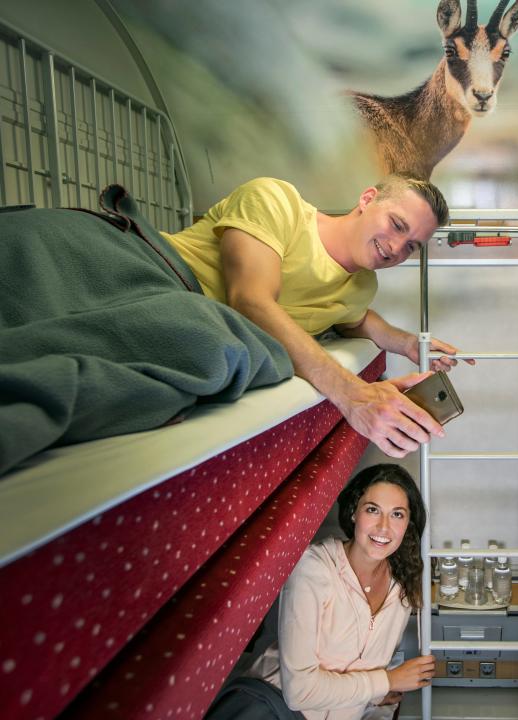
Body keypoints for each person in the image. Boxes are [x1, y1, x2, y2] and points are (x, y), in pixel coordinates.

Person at [164, 174, 473, 458]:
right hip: (157, 275)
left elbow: (356, 319)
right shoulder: (276, 201)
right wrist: (354, 395)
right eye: (396, 224)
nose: (395, 248)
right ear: (367, 199)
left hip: (194, 331)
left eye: (411, 247)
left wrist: (407, 343)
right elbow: (250, 301)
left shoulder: (362, 285)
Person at [206, 464, 435, 720]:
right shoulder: (312, 568)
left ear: (407, 524)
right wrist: (387, 681)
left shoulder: (402, 587)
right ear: (353, 513)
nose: (384, 527)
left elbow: (363, 665)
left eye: (397, 515)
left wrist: (374, 694)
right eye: (372, 510)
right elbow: (299, 693)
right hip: (272, 705)